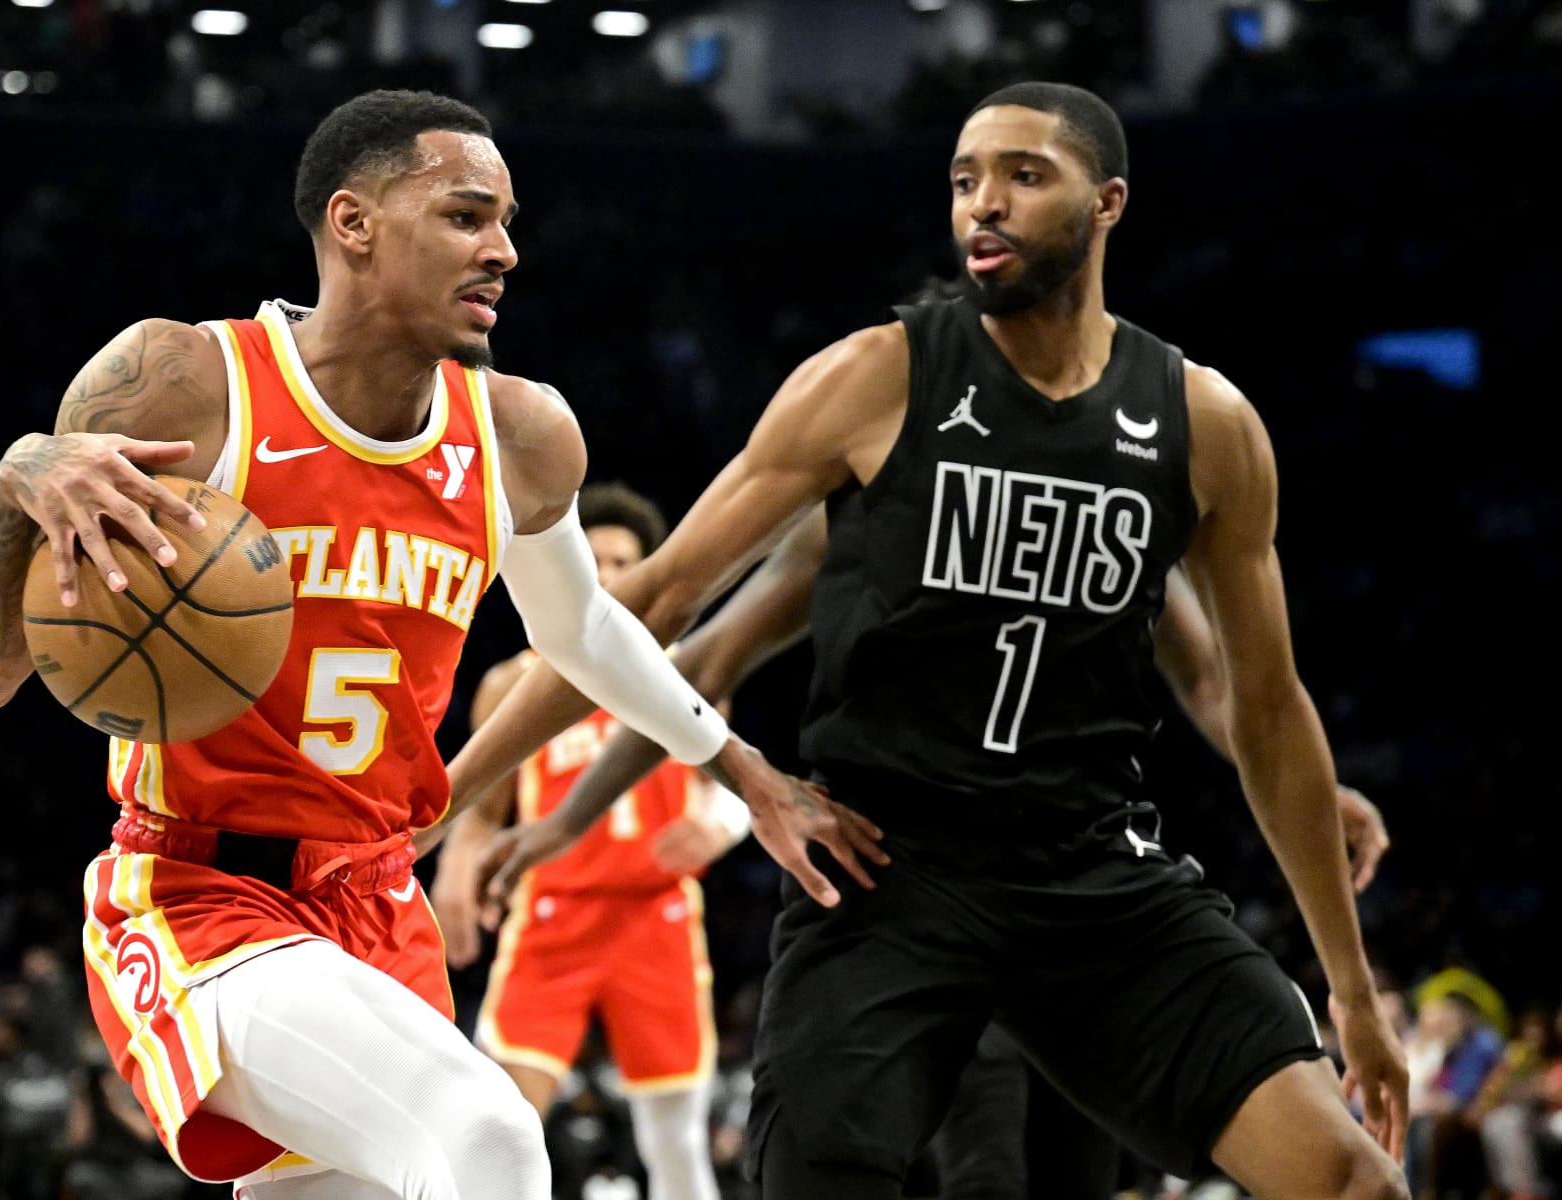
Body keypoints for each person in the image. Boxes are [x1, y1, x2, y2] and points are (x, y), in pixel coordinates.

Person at [440, 81, 1411, 1199]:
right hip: (887, 874)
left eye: (1023, 176)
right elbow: (656, 611)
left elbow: (1258, 703)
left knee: (1355, 1182)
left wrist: (1353, 988)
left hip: (1093, 873)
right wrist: (449, 797)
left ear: (1108, 203)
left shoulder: (1207, 426)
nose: (982, 203)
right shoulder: (875, 381)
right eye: (963, 180)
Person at [0, 89, 877, 1200]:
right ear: (354, 223)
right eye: (466, 217)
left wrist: (743, 770)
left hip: (380, 905)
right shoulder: (186, 385)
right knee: (489, 1136)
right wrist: (17, 485)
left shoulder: (519, 436)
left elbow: (583, 631)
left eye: (508, 222)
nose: (504, 251)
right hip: (204, 896)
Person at [472, 506, 1392, 1199]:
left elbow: (1219, 684)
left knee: (1339, 1177)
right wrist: (545, 823)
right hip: (897, 892)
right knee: (952, 1176)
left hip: (1090, 894)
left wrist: (1316, 801)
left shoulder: (1165, 431)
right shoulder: (870, 434)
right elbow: (689, 646)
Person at [430, 482, 750, 1200]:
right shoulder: (513, 681)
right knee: (502, 1120)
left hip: (656, 914)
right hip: (555, 914)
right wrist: (454, 871)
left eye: (622, 562)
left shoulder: (683, 666)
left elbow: (734, 783)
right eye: (593, 559)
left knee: (675, 1138)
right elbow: (484, 808)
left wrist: (718, 827)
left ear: (645, 571)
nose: (605, 575)